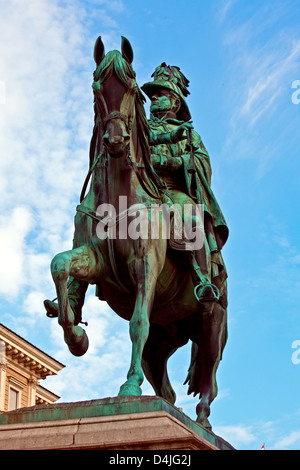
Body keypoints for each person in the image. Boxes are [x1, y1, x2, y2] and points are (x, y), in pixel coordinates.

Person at [141, 63, 229, 309]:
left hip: (171, 191)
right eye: (153, 95)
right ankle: (75, 292)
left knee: (190, 213)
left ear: (175, 103)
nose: (154, 99)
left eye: (161, 95)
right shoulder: (138, 126)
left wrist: (170, 162)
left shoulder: (189, 133)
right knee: (97, 215)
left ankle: (201, 278)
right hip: (140, 188)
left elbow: (200, 163)